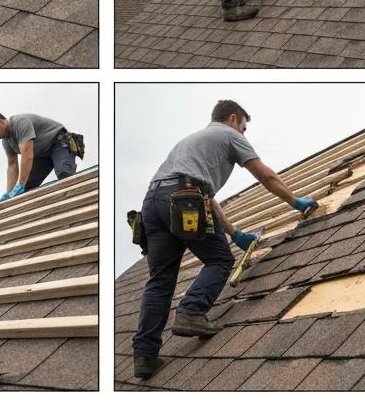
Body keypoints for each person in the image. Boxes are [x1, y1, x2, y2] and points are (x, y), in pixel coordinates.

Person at [131, 99, 317, 380]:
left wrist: (234, 233)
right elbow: (264, 175)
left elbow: (205, 197)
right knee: (219, 260)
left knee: (160, 281)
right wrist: (294, 201)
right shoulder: (229, 135)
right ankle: (191, 312)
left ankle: (144, 356)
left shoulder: (190, 143)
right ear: (233, 119)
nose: (243, 134)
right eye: (243, 128)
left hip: (151, 205)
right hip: (184, 198)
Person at [0, 111, 83, 201]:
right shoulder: (6, 141)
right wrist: (9, 193)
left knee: (65, 175)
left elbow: (27, 154)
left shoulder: (20, 122)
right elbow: (12, 166)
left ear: (1, 121)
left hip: (58, 143)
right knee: (26, 187)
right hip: (42, 155)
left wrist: (20, 184)